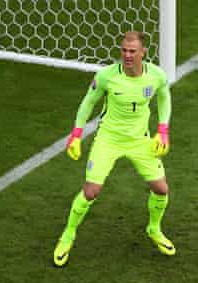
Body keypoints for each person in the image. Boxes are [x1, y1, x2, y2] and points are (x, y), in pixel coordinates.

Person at [53, 31, 174, 267]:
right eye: (124, 51)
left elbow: (164, 98)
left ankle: (154, 228)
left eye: (132, 51)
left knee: (161, 189)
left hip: (140, 140)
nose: (127, 56)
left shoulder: (156, 76)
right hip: (108, 140)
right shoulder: (107, 76)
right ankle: (67, 235)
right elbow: (87, 103)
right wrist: (76, 135)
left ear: (142, 53)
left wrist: (163, 130)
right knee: (91, 192)